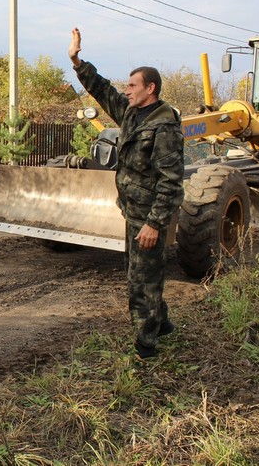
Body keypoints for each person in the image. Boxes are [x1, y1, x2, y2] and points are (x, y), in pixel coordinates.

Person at [68, 27, 185, 359]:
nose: (126, 89)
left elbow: (171, 182)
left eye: (133, 85)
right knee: (141, 272)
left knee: (141, 281)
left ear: (150, 88)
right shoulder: (133, 113)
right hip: (133, 212)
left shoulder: (163, 128)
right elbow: (102, 90)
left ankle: (146, 345)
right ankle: (161, 324)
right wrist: (76, 60)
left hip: (148, 216)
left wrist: (154, 224)